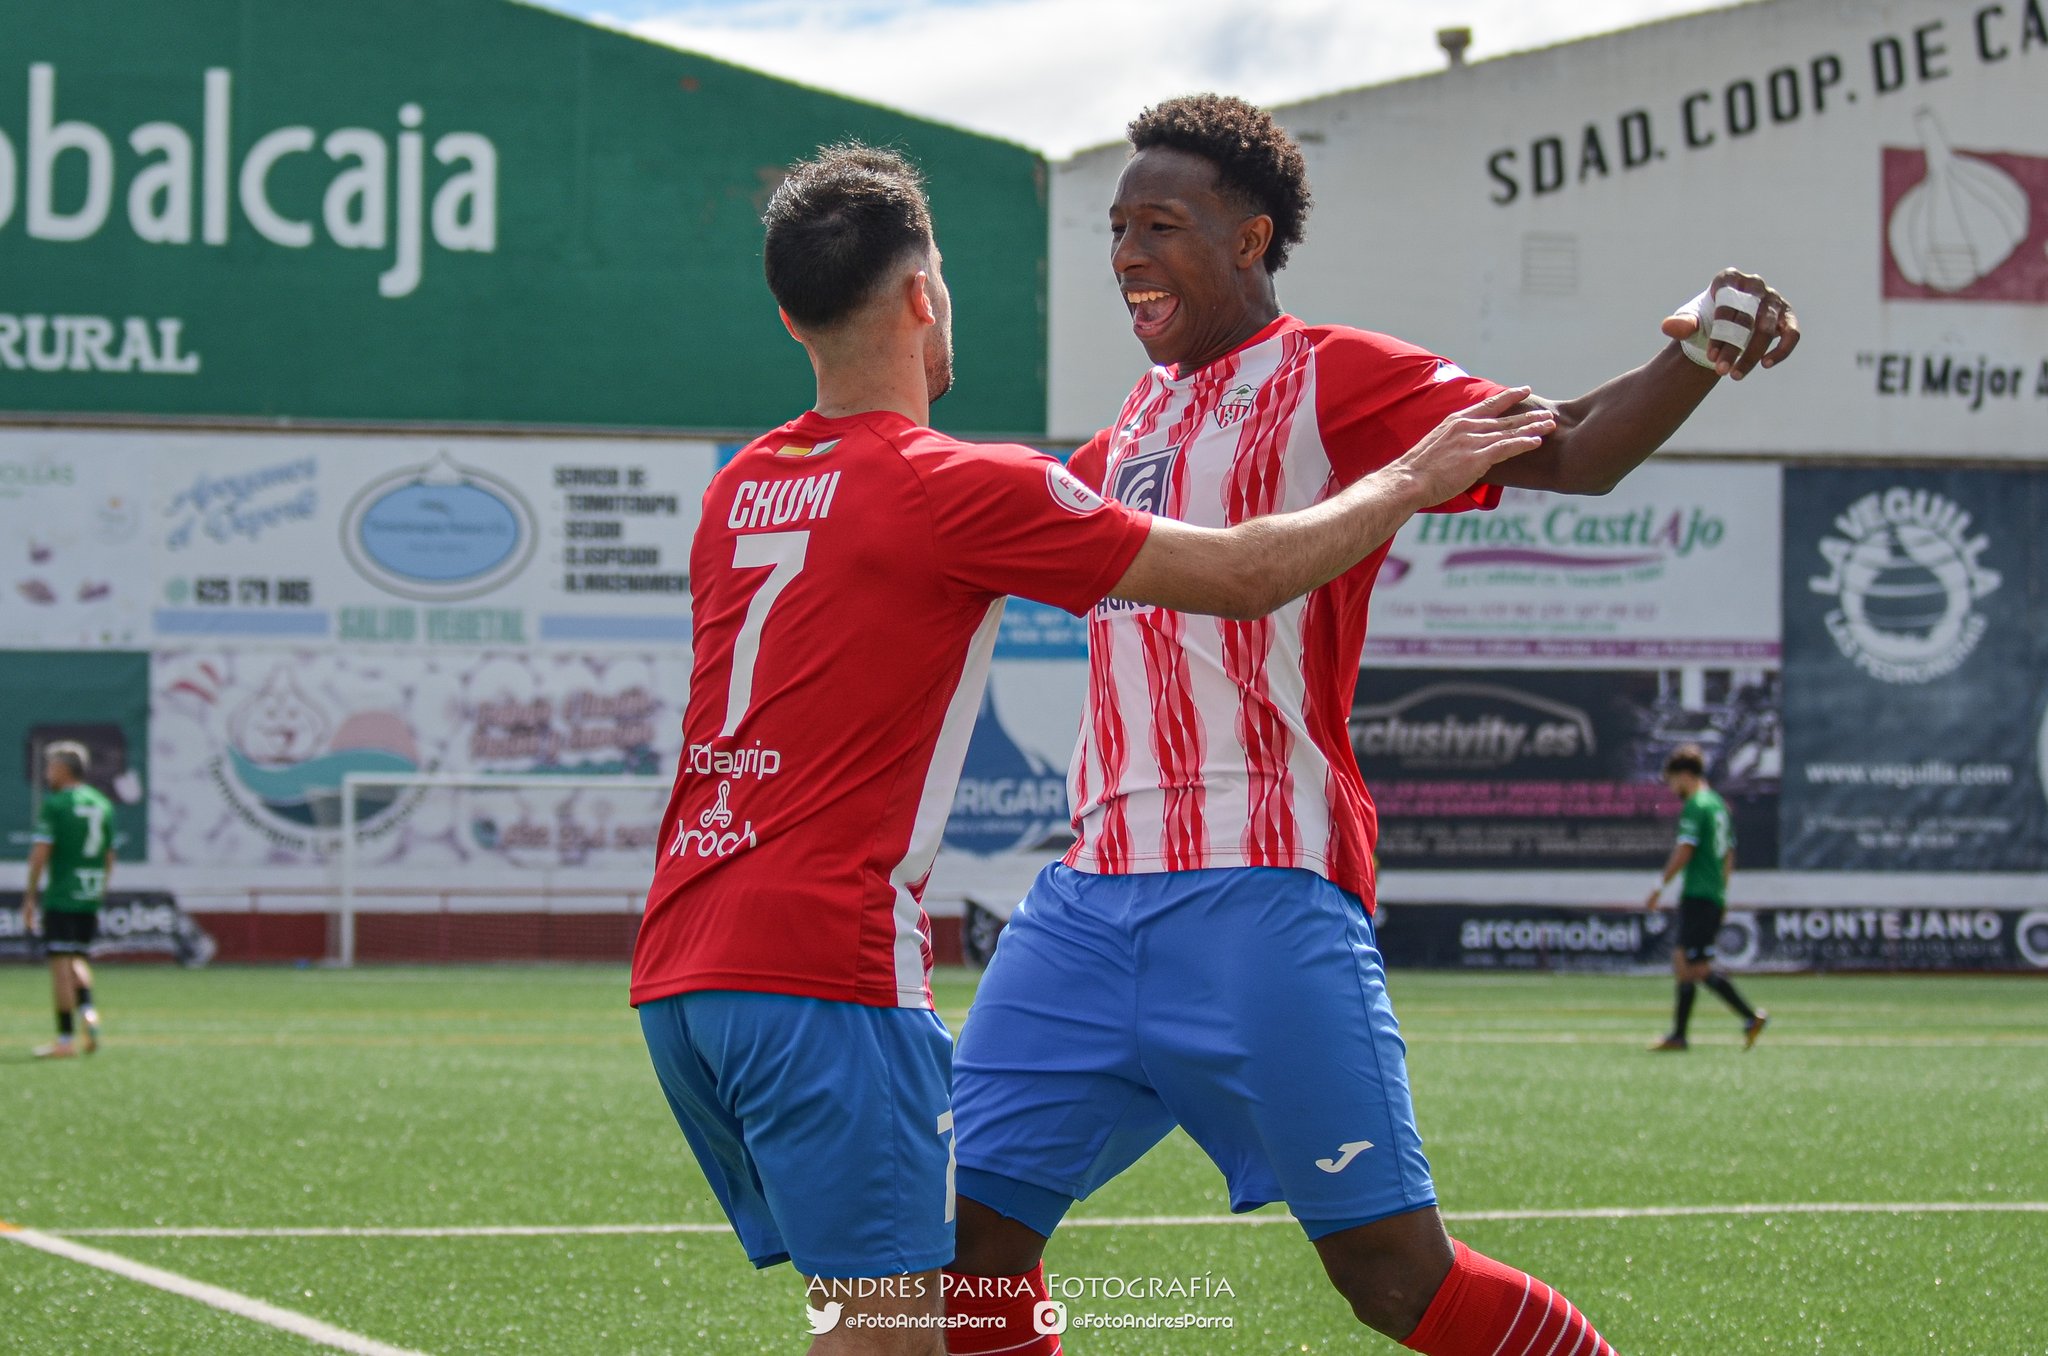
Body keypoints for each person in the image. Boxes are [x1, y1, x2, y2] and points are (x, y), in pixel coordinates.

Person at [631, 142, 1549, 1354]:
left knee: (950, 1281)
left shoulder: (740, 484)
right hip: (827, 965)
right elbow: (1242, 573)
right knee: (893, 1335)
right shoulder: (963, 485)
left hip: (680, 967)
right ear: (921, 298)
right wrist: (1405, 479)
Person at [943, 95, 1800, 1356]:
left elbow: (1568, 451)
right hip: (1081, 903)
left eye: (1160, 224)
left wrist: (1701, 349)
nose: (1126, 251)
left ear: (1250, 238)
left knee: (1393, 1281)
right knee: (953, 1256)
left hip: (1258, 886)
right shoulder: (1122, 429)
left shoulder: (1328, 376)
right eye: (1116, 226)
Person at [1648, 744, 1766, 1052]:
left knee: (1694, 966)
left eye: (1673, 781)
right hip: (1711, 894)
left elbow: (1685, 850)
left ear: (1685, 775)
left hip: (1698, 894)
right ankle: (1680, 1034)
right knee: (1685, 961)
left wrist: (1660, 885)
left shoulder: (1697, 806)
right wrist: (1722, 894)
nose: (1673, 788)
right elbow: (1729, 854)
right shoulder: (1718, 805)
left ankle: (1748, 1017)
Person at [24, 742, 114, 1059]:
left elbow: (40, 855)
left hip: (62, 895)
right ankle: (87, 1010)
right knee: (78, 957)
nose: (47, 773)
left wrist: (31, 896)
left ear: (64, 769)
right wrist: (100, 889)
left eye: (50, 767)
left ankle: (64, 1039)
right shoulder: (103, 804)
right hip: (89, 893)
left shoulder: (56, 805)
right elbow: (109, 855)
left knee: (60, 965)